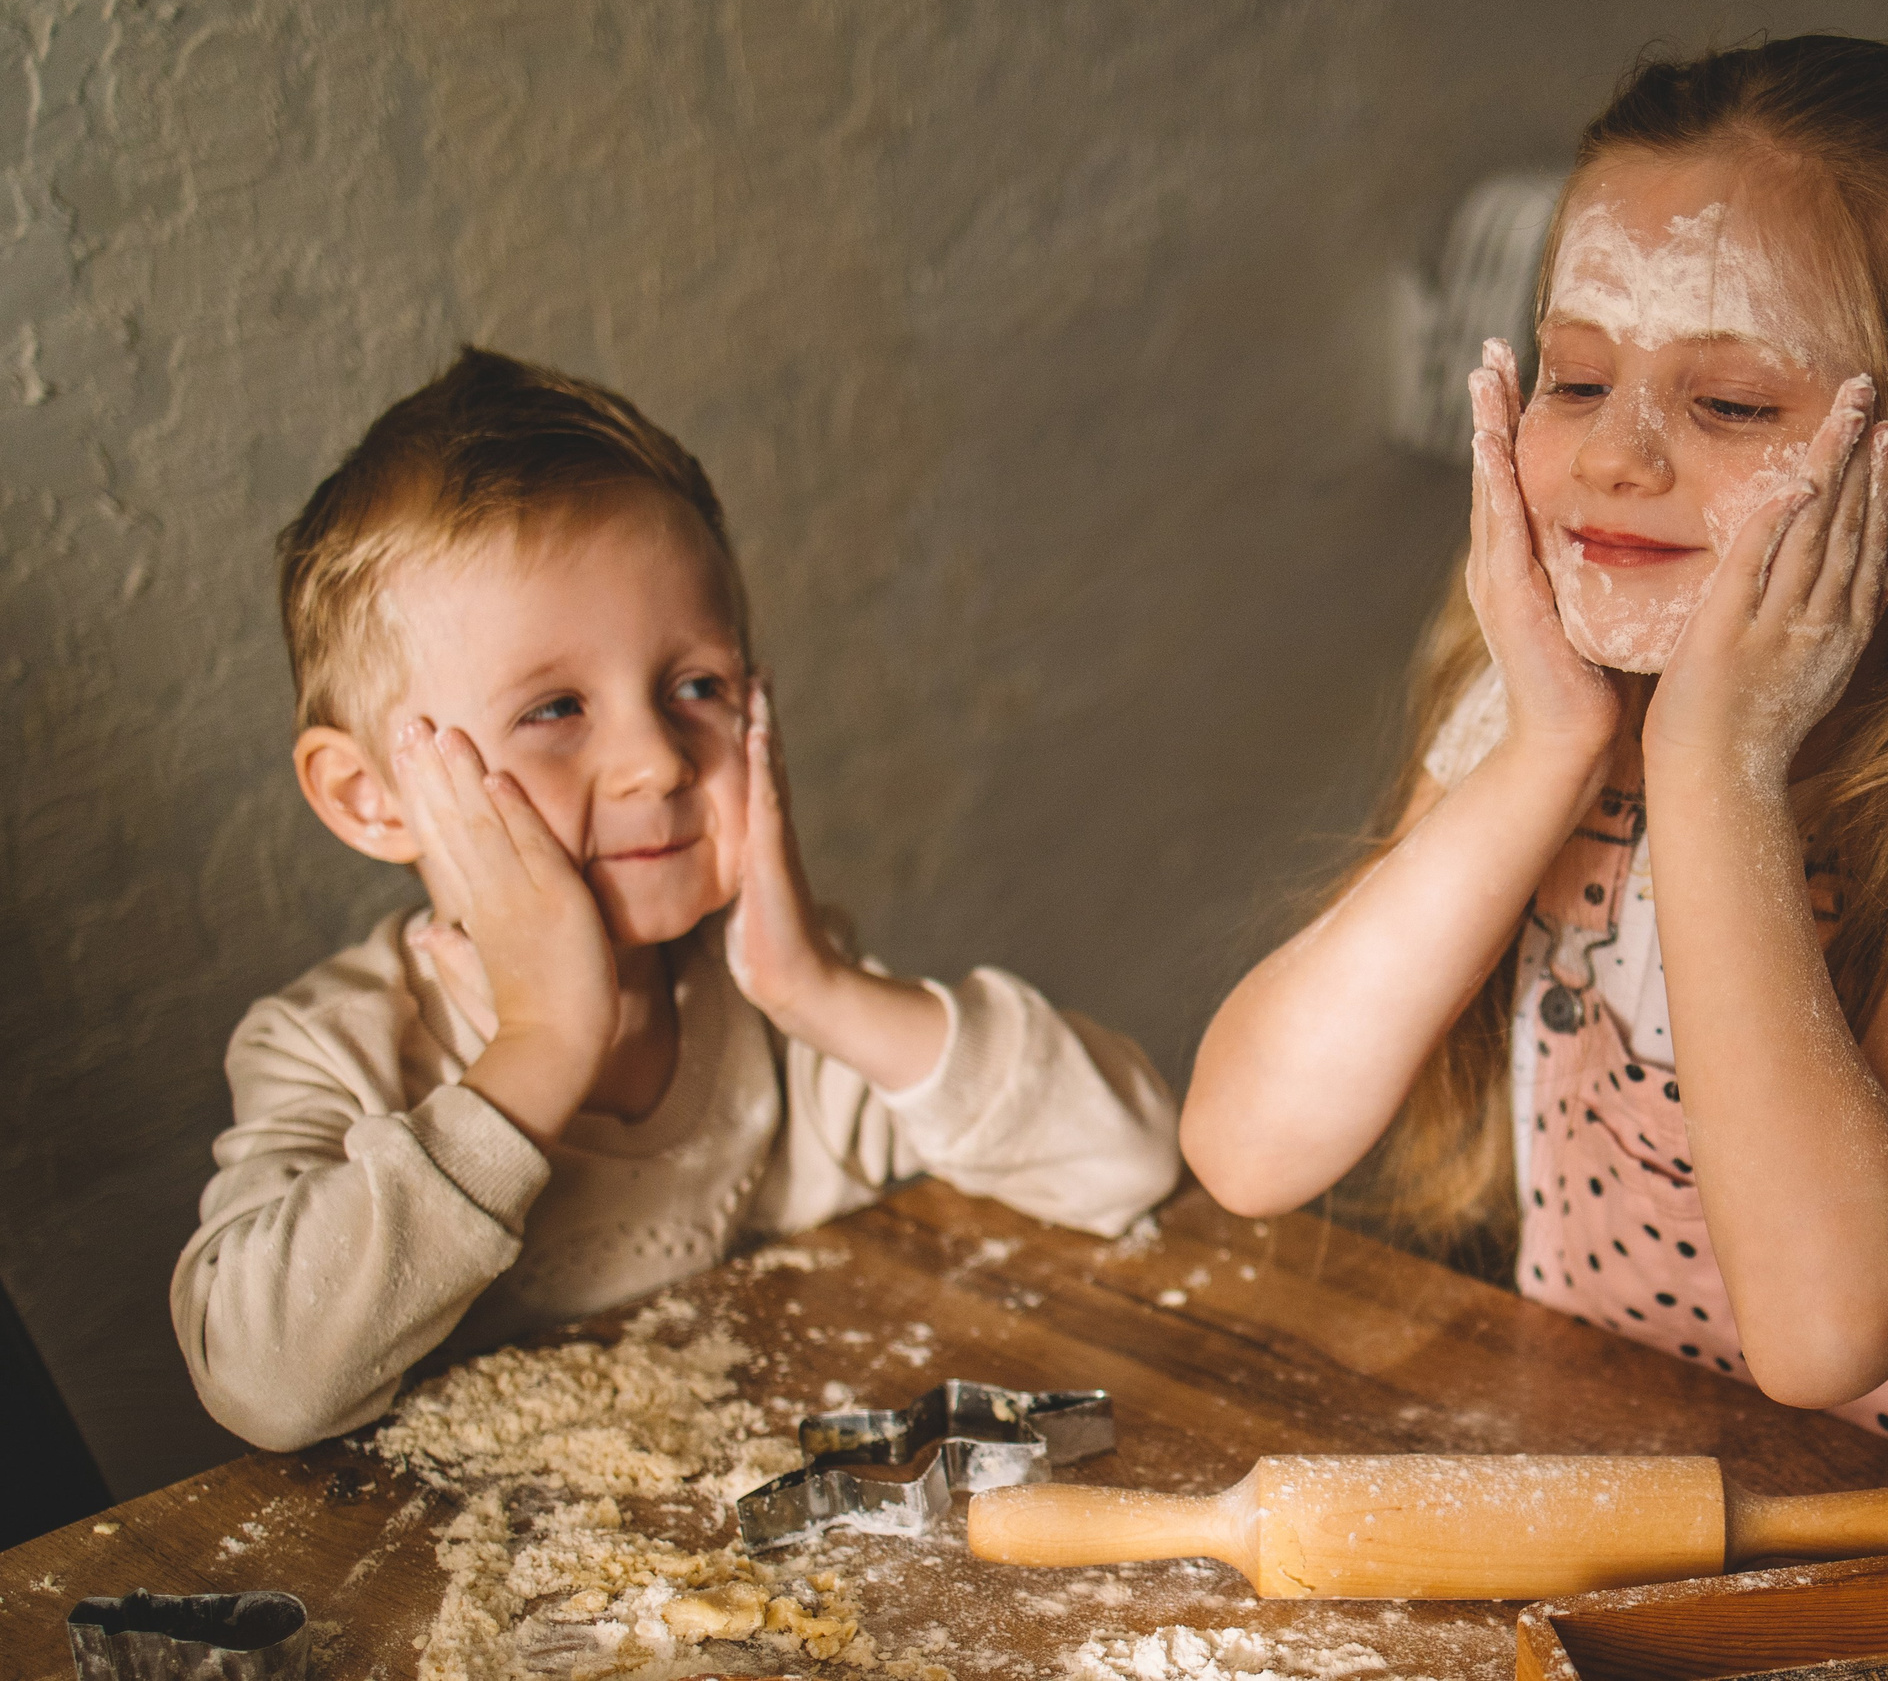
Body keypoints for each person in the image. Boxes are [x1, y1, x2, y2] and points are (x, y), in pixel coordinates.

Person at [1182, 37, 1888, 1514]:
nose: (1621, 456)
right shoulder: (1545, 713)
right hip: (1582, 1451)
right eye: (1576, 376)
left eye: (1733, 406)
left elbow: (1831, 1329)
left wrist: (1718, 760)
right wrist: (1554, 745)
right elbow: (1246, 1144)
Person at [174, 348, 1180, 1453]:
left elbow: (1127, 1158)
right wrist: (544, 1041)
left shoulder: (771, 1013)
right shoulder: (336, 1051)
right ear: (372, 797)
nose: (656, 758)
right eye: (555, 707)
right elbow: (265, 1382)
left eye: (696, 686)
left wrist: (822, 988)